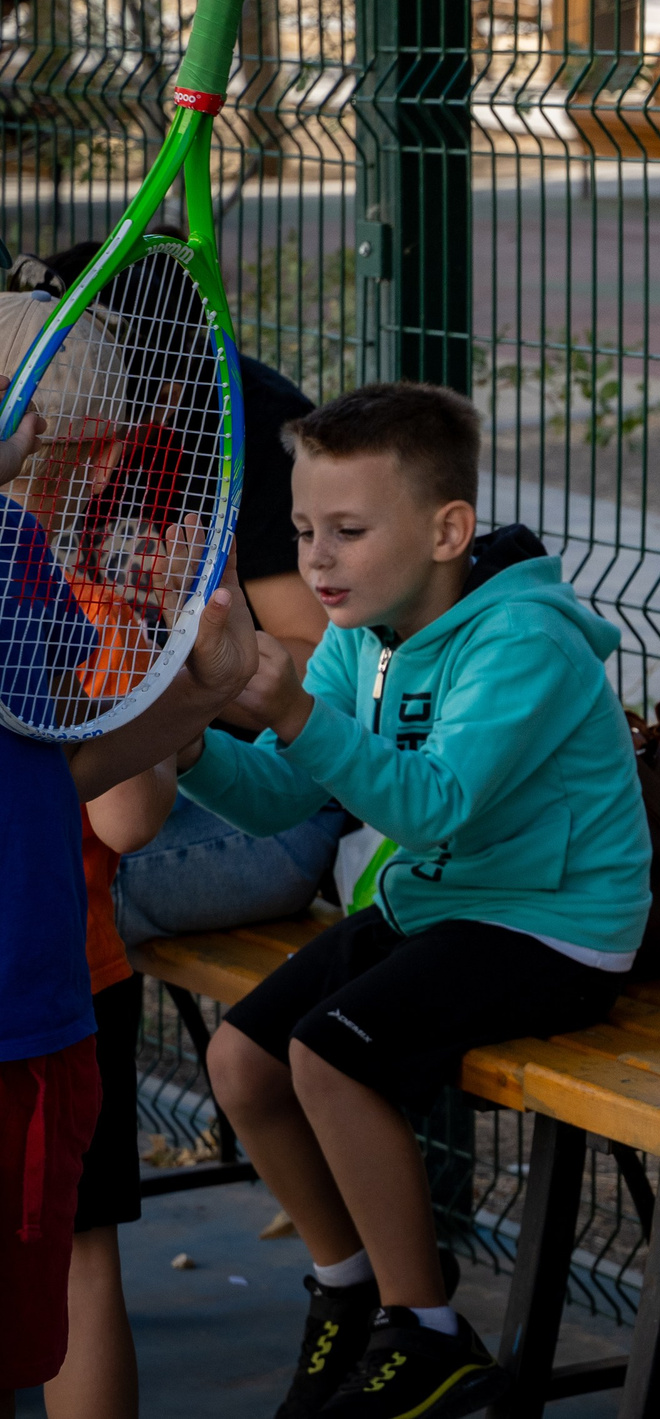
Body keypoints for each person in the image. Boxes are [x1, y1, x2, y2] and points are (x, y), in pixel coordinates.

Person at [187, 382, 655, 1419]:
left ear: (448, 529)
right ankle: (349, 1292)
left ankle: (427, 1329)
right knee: (242, 1061)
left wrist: (299, 708)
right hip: (443, 903)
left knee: (329, 1050)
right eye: (306, 528)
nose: (315, 561)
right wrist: (187, 740)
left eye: (348, 531)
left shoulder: (520, 640)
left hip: (553, 925)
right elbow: (278, 795)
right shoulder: (368, 634)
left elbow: (435, 807)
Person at [0, 333, 265, 1398]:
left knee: (42, 1319)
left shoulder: (26, 564)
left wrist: (199, 693)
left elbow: (62, 781)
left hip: (37, 1016)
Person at [28, 239, 350, 942]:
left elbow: (315, 658)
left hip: (253, 793)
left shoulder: (257, 438)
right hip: (117, 761)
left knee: (54, 882)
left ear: (165, 390)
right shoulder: (40, 438)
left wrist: (173, 644)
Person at [47, 764, 177, 1419]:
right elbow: (128, 817)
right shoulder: (102, 653)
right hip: (56, 975)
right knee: (80, 1258)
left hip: (54, 976)